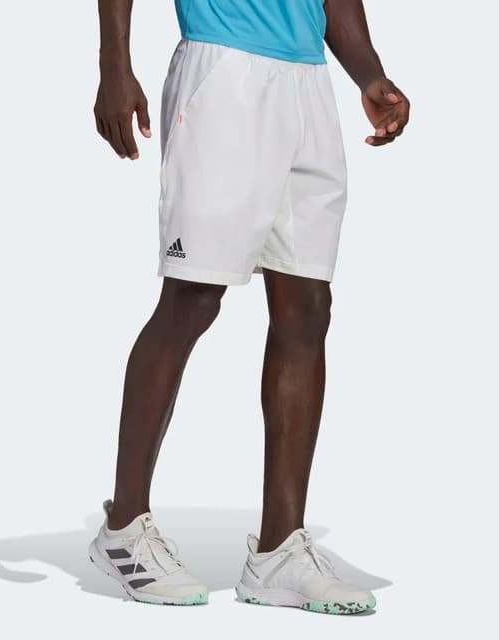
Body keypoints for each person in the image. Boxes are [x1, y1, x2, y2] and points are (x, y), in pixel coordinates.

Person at [89, 0, 410, 614]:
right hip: (223, 71)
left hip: (308, 82)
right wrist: (114, 65)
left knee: (307, 306)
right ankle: (123, 527)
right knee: (192, 297)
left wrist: (369, 72)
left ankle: (279, 552)